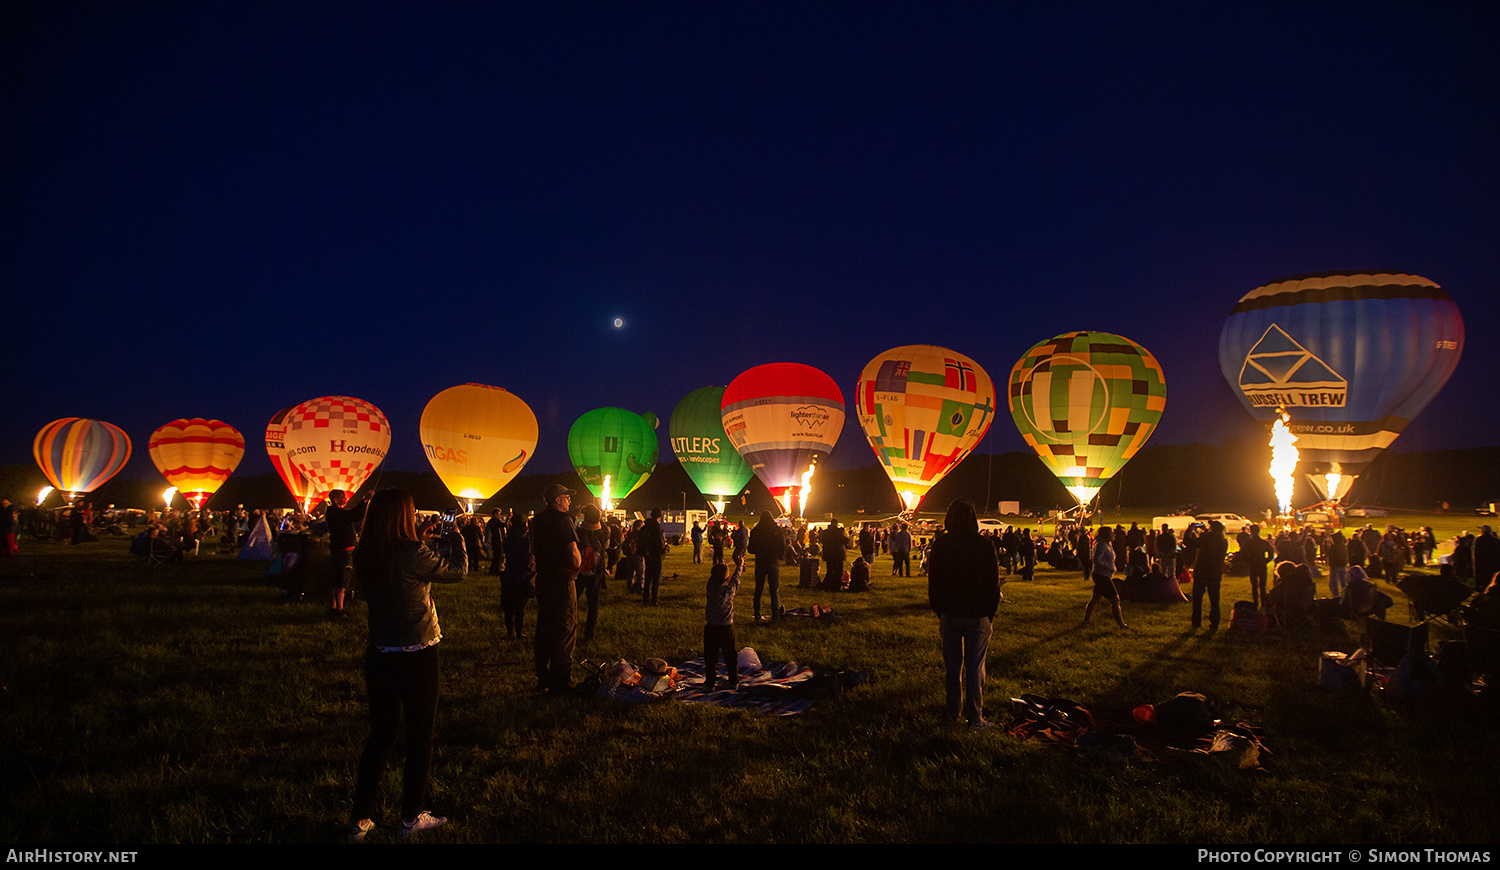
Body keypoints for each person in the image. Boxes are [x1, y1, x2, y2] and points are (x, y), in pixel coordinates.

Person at [347, 489, 466, 842]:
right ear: (402, 516)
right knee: (419, 735)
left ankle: (359, 820)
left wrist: (421, 540)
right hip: (417, 651)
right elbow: (457, 572)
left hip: (380, 650)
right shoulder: (412, 553)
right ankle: (411, 816)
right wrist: (455, 536)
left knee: (380, 735)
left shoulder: (366, 552)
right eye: (411, 513)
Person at [927, 498, 1001, 728]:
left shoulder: (941, 545)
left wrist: (940, 610)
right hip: (978, 615)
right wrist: (989, 613)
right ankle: (975, 717)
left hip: (949, 613)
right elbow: (993, 584)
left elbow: (934, 583)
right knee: (975, 668)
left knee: (952, 667)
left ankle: (952, 713)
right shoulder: (985, 545)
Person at [532, 484, 581, 692]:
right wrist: (578, 565)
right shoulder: (564, 520)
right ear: (557, 500)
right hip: (562, 580)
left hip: (543, 580)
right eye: (566, 497)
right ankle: (561, 680)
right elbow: (573, 551)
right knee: (565, 628)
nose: (569, 500)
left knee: (544, 626)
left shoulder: (536, 521)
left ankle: (543, 677)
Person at [703, 553, 746, 692]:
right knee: (730, 656)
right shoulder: (729, 591)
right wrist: (739, 566)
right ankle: (733, 681)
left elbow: (714, 579)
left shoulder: (710, 589)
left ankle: (710, 683)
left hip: (710, 628)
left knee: (710, 657)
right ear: (726, 578)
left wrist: (723, 568)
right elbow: (735, 579)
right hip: (726, 628)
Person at [325, 489, 370, 621]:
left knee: (336, 579)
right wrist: (364, 501)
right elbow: (353, 515)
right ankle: (340, 609)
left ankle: (334, 607)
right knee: (343, 580)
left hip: (337, 549)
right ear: (335, 500)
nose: (346, 499)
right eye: (343, 497)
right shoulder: (337, 513)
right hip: (345, 551)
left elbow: (354, 515)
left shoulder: (333, 513)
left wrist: (364, 504)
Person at [1084, 526, 1128, 628]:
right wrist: (1109, 568)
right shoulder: (1102, 545)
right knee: (1115, 599)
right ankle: (1121, 624)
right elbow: (1097, 560)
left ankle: (1086, 620)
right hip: (1102, 575)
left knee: (1095, 598)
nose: (1114, 535)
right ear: (1106, 535)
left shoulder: (1108, 544)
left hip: (1103, 574)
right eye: (1112, 533)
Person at [575, 504, 606, 642]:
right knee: (593, 606)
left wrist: (576, 514)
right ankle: (589, 634)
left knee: (572, 602)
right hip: (595, 574)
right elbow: (606, 531)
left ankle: (570, 629)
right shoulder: (604, 534)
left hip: (579, 573)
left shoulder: (578, 533)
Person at [1192, 521, 1229, 630]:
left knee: (1197, 598)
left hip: (1202, 571)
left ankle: (1196, 621)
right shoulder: (1223, 542)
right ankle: (1215, 622)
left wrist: (1191, 529)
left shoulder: (1206, 539)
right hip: (1215, 572)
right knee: (1214, 599)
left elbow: (1188, 542)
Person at [748, 511, 784, 622]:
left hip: (760, 562)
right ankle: (775, 615)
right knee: (774, 591)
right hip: (773, 562)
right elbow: (782, 546)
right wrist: (778, 556)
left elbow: (751, 549)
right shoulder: (777, 530)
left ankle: (757, 614)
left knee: (758, 589)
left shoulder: (756, 531)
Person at [501, 513, 534, 638]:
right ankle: (519, 632)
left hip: (508, 575)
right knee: (520, 608)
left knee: (509, 607)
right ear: (525, 524)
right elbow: (527, 558)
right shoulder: (526, 540)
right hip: (522, 576)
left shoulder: (508, 537)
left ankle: (510, 631)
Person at [639, 509, 666, 606]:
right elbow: (659, 541)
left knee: (647, 577)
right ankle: (654, 600)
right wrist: (663, 548)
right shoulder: (656, 526)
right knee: (656, 578)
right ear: (660, 515)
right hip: (656, 554)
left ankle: (646, 598)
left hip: (647, 554)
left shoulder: (646, 526)